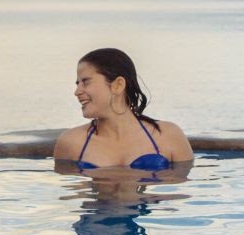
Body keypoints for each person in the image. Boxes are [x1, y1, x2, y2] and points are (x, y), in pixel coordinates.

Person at [54, 47, 195, 172]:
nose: (77, 91)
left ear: (118, 85)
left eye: (86, 82)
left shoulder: (167, 135)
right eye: (78, 83)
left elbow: (182, 193)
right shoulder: (70, 143)